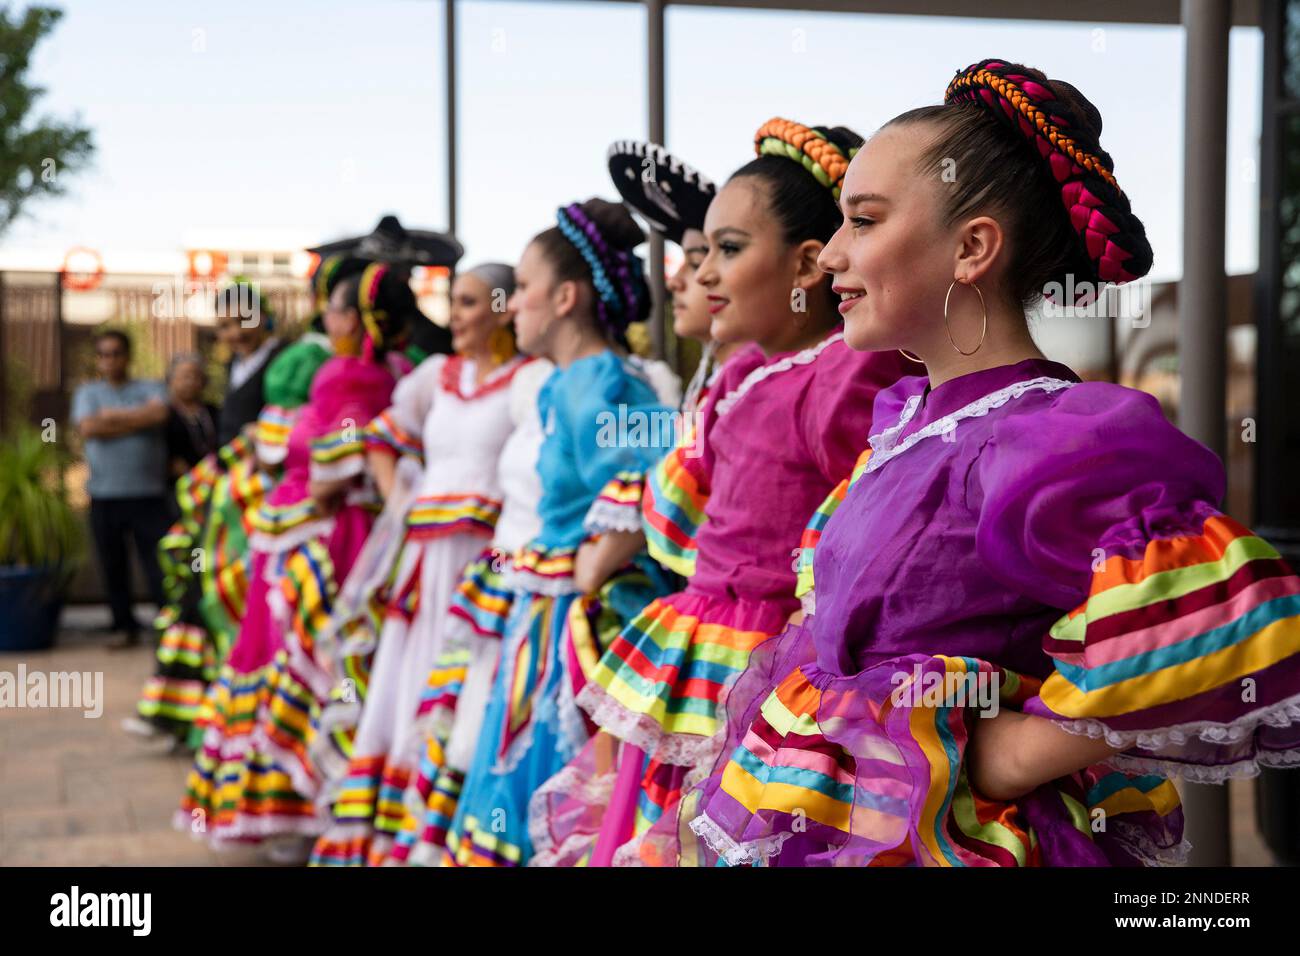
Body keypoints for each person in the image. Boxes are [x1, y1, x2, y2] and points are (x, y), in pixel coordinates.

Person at [676, 60, 1300, 867]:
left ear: (972, 248)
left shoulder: (1048, 436)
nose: (829, 255)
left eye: (862, 222)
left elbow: (1222, 621)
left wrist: (1017, 752)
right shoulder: (908, 421)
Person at [530, 121, 909, 866]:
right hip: (701, 647)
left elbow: (865, 538)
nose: (700, 274)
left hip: (768, 669)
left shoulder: (844, 378)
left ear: (807, 264)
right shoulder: (742, 377)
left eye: (727, 252)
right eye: (699, 253)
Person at [440, 198, 675, 866]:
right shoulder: (565, 384)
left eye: (523, 290)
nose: (510, 306)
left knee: (556, 777)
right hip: (554, 612)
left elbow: (655, 486)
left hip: (585, 622)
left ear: (566, 297)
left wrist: (591, 569)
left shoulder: (598, 381)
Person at [178, 263, 408, 858]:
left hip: (317, 540)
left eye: (332, 309)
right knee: (336, 668)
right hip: (335, 536)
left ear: (353, 319)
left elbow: (334, 467)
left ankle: (296, 810)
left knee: (293, 659)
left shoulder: (340, 376)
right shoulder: (394, 374)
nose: (323, 319)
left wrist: (288, 465)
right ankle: (324, 805)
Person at [309, 263, 533, 866]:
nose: (454, 316)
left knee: (460, 689)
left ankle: (440, 834)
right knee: (406, 683)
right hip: (422, 562)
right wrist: (401, 500)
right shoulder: (436, 376)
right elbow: (382, 435)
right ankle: (393, 836)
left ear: (503, 307)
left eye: (465, 302)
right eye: (453, 303)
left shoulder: (528, 380)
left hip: (482, 570)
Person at [71, 329, 173, 650]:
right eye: (104, 354)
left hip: (149, 494)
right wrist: (136, 420)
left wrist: (112, 418)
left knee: (159, 565)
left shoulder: (152, 387)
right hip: (105, 494)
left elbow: (159, 414)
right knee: (113, 566)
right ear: (98, 360)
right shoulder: (87, 393)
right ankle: (122, 627)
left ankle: (169, 628)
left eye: (116, 353)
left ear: (128, 356)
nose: (110, 360)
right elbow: (88, 427)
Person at [214, 280, 284, 447]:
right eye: (225, 326)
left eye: (244, 319)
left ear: (263, 316)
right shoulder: (233, 363)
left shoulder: (282, 359)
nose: (236, 333)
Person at [162, 353, 219, 479]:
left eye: (196, 376)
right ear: (170, 380)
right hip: (176, 485)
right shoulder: (164, 413)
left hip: (213, 479)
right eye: (185, 377)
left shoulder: (213, 411)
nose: (191, 381)